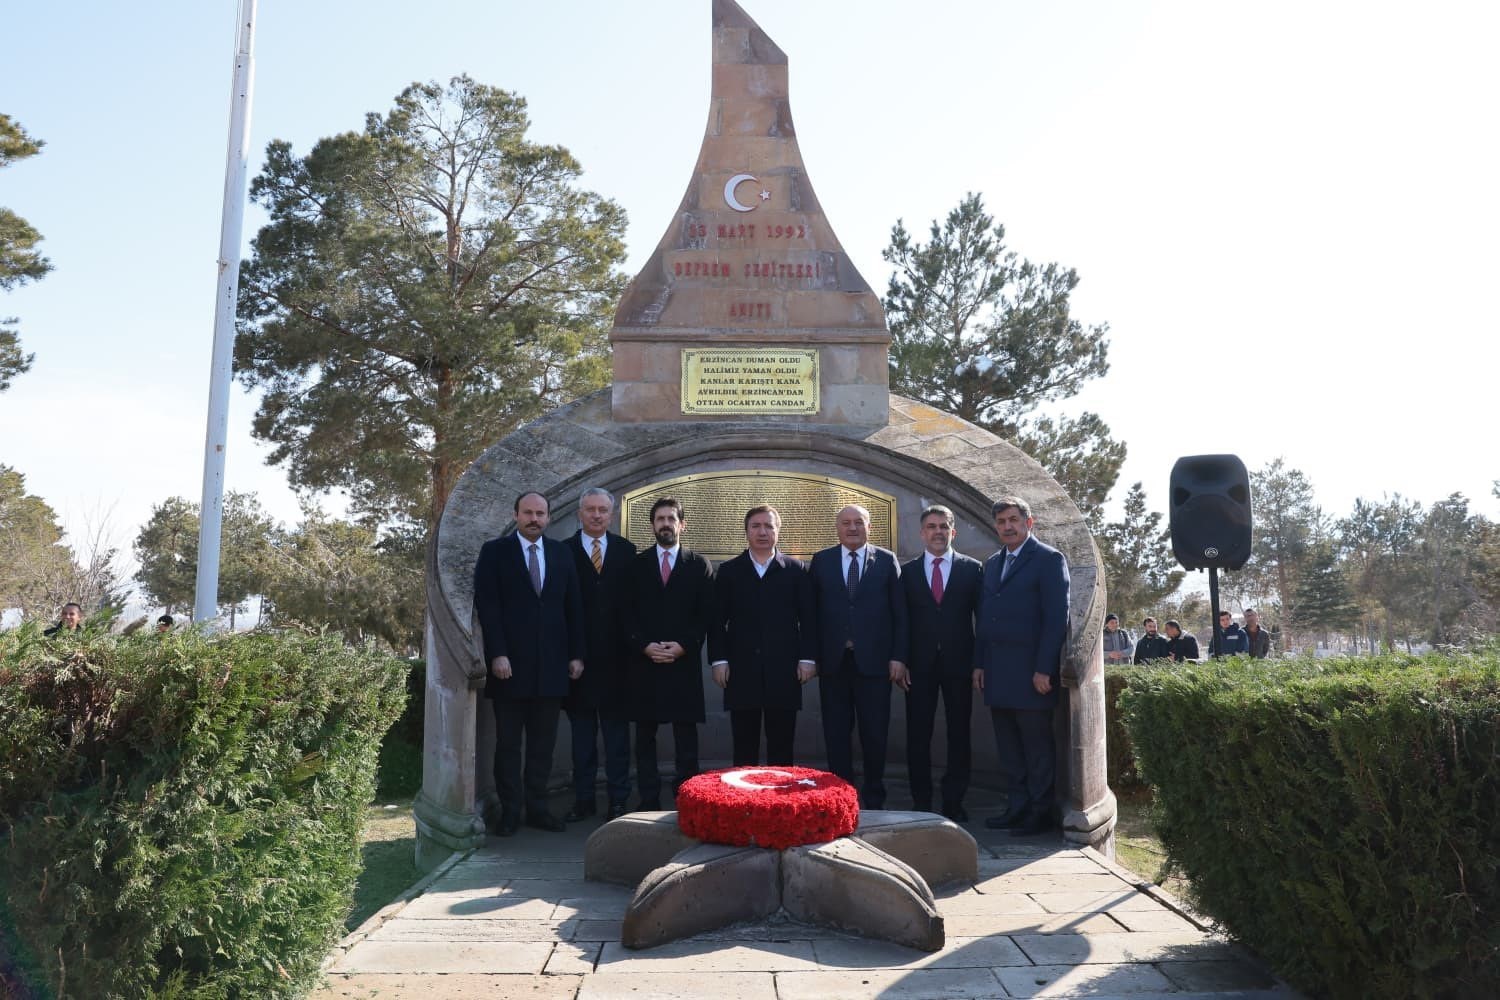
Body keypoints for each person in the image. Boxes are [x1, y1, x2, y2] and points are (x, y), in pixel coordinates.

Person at [473, 491, 585, 836]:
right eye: (528, 513)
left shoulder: (561, 552)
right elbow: (488, 606)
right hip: (510, 667)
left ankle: (538, 809)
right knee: (508, 746)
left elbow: (573, 607)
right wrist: (498, 654)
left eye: (540, 513)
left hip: (552, 668)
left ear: (549, 517)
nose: (534, 518)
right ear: (516, 514)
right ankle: (510, 812)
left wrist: (577, 654)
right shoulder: (495, 552)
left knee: (542, 745)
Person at [974, 496, 1070, 837]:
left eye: (1013, 520)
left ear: (1029, 523)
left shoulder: (1047, 559)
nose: (1007, 527)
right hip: (998, 672)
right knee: (1010, 748)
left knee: (1037, 748)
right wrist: (980, 663)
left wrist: (1045, 667)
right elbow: (986, 617)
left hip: (1032, 674)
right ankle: (1016, 807)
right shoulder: (992, 563)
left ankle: (1040, 812)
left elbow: (1056, 617)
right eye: (1001, 522)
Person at [811, 504, 909, 809]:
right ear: (837, 528)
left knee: (874, 732)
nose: (852, 528)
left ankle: (874, 794)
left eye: (859, 523)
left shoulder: (886, 560)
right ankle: (840, 795)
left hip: (876, 663)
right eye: (846, 523)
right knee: (836, 733)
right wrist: (811, 657)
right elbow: (812, 615)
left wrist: (898, 657)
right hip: (834, 663)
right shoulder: (822, 560)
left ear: (869, 526)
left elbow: (900, 614)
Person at [623, 497, 715, 811]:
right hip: (644, 662)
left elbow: (706, 615)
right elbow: (626, 614)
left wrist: (684, 645)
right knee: (644, 737)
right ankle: (648, 800)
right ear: (652, 525)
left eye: (671, 519)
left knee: (685, 736)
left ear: (682, 524)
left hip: (682, 663)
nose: (665, 524)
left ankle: (687, 798)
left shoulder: (698, 564)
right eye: (660, 519)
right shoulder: (636, 565)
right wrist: (643, 645)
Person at [708, 505, 817, 766]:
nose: (762, 532)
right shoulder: (729, 571)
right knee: (744, 746)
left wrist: (808, 658)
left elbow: (810, 619)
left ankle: (780, 803)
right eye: (756, 526)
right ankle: (743, 805)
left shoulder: (795, 570)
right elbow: (715, 621)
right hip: (741, 671)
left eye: (769, 526)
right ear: (746, 531)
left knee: (782, 745)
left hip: (784, 670)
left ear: (778, 531)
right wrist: (719, 660)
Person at [901, 505, 982, 821]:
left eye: (943, 526)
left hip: (960, 666)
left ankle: (953, 801)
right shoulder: (906, 572)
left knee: (959, 733)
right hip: (917, 667)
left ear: (953, 532)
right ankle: (921, 800)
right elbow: (901, 621)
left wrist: (980, 662)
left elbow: (983, 620)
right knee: (917, 734)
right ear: (922, 533)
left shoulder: (972, 570)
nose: (937, 531)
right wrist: (901, 660)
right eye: (931, 527)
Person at [562, 487, 639, 823]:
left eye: (602, 510)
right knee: (582, 742)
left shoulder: (626, 551)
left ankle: (618, 801)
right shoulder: (562, 552)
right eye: (590, 509)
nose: (596, 515)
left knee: (617, 741)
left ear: (612, 514)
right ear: (580, 513)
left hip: (618, 665)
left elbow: (633, 609)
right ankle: (583, 800)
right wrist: (571, 654)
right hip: (577, 664)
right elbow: (560, 608)